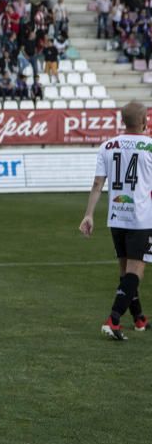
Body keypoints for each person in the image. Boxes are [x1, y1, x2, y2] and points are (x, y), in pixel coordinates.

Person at [80, 103, 152, 340]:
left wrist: (89, 214)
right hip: (141, 218)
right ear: (143, 121)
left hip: (116, 217)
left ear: (123, 121)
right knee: (136, 272)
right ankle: (113, 319)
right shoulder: (149, 146)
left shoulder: (107, 146)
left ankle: (139, 318)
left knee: (125, 273)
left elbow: (97, 184)